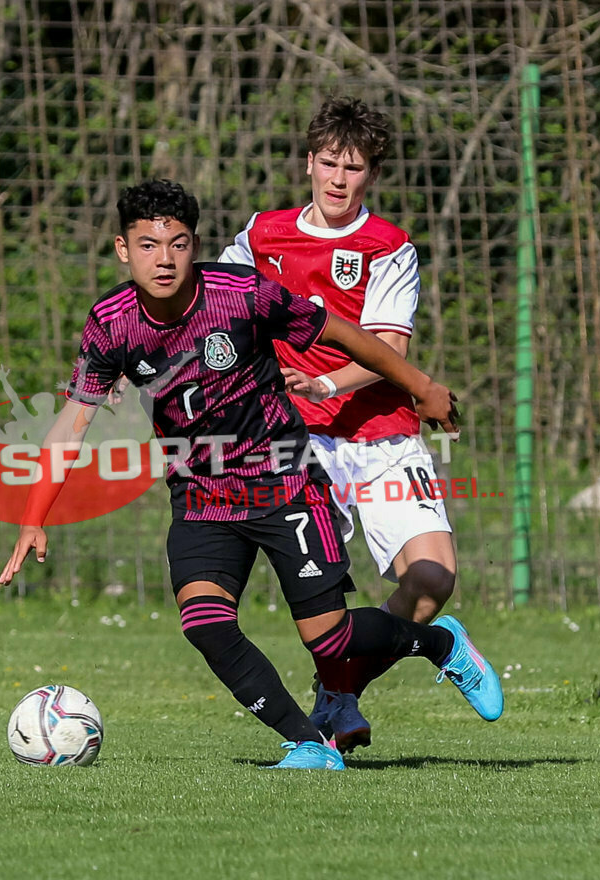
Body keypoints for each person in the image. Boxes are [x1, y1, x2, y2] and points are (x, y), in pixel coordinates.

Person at [0, 179, 502, 770]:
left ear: (194, 245)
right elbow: (71, 423)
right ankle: (308, 744)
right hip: (201, 494)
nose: (164, 260)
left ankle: (439, 642)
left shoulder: (240, 294)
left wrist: (422, 387)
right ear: (121, 248)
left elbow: (342, 334)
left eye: (178, 244)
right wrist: (35, 517)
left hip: (282, 479)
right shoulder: (110, 323)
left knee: (329, 641)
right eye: (148, 245)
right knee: (205, 621)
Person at [219, 96, 484, 753]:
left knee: (432, 579)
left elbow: (387, 346)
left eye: (355, 166)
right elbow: (219, 305)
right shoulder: (262, 234)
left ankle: (342, 691)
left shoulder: (388, 247)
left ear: (372, 174)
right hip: (297, 441)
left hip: (382, 435)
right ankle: (335, 700)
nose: (339, 178)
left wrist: (329, 380)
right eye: (330, 162)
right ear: (309, 162)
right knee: (323, 599)